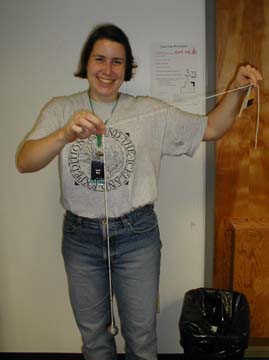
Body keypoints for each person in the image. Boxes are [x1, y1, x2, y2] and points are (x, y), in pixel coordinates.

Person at [16, 23, 262, 360]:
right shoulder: (61, 109)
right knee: (94, 339)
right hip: (80, 237)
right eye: (100, 59)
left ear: (127, 69)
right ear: (86, 63)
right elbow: (25, 162)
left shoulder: (148, 110)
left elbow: (213, 128)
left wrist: (235, 89)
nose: (107, 69)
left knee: (142, 338)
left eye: (118, 62)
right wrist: (63, 134)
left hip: (136, 236)